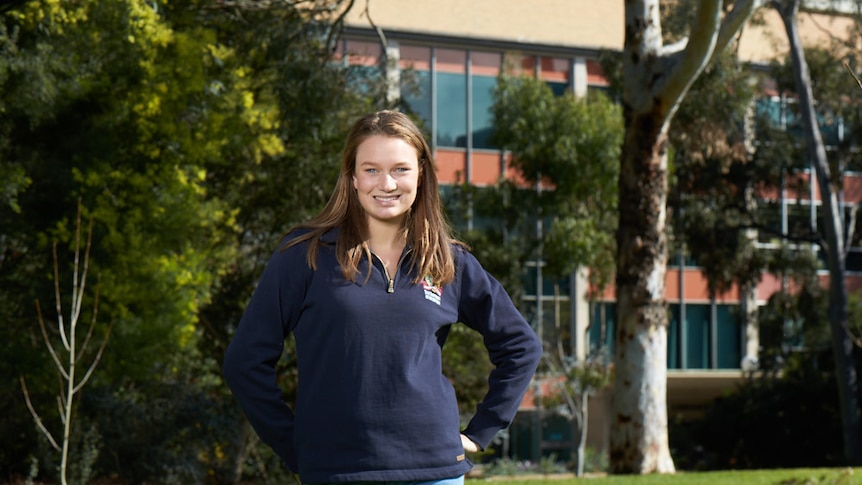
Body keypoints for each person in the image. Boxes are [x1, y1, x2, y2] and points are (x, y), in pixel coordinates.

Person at [223, 110, 542, 485]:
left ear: (420, 174)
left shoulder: (448, 261)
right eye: (371, 169)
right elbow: (244, 362)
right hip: (337, 471)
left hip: (435, 472)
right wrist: (293, 444)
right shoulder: (304, 256)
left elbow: (521, 345)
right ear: (352, 177)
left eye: (400, 169)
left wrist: (481, 430)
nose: (386, 183)